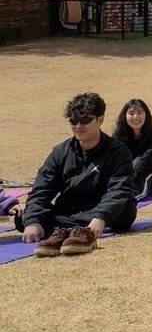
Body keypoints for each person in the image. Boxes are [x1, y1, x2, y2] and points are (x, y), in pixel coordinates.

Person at [18, 92, 137, 256]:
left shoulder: (118, 151)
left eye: (85, 120)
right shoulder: (60, 152)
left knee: (126, 210)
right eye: (73, 121)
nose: (78, 126)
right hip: (68, 210)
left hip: (99, 210)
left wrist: (100, 217)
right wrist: (33, 221)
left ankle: (70, 230)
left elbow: (120, 189)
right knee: (23, 217)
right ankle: (75, 230)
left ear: (100, 120)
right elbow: (41, 189)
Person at [112, 98, 152, 198]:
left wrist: (128, 176)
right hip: (129, 176)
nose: (136, 117)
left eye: (140, 112)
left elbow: (148, 160)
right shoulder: (118, 138)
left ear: (146, 115)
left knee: (138, 162)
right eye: (131, 113)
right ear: (124, 116)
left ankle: (130, 197)